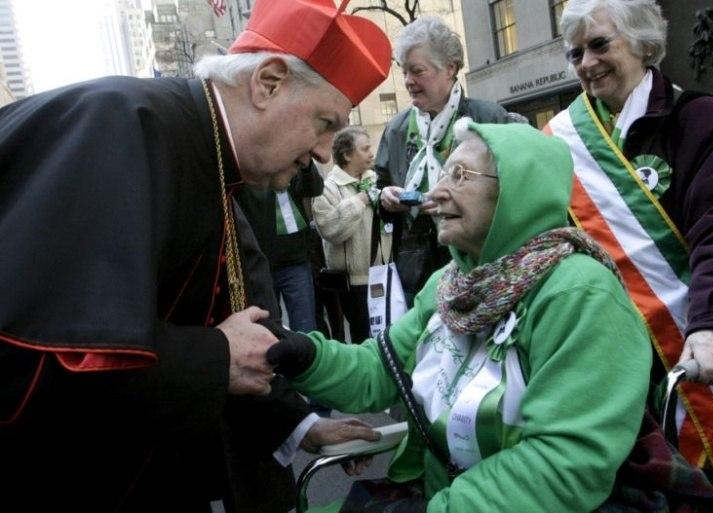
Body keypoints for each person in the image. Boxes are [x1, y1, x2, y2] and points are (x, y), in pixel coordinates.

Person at [0, 1, 392, 511]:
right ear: (268, 82)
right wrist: (214, 358)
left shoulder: (210, 158)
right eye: (324, 122)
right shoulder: (123, 124)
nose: (323, 152)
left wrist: (299, 424)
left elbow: (227, 322)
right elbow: (51, 350)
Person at [268, 120, 654, 512]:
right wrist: (304, 355)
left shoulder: (578, 293)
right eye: (441, 175)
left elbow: (564, 463)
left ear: (516, 191)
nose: (434, 193)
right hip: (432, 493)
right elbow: (379, 370)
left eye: (460, 175)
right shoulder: (450, 282)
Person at [546, 0, 713, 477]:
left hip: (680, 353)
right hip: (594, 365)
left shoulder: (701, 120)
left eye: (600, 44)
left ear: (643, 42)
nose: (586, 63)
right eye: (575, 53)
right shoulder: (559, 140)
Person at [374, 16, 508, 307]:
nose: (408, 81)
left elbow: (511, 191)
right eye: (404, 71)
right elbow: (378, 184)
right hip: (413, 272)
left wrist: (456, 202)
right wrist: (384, 197)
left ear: (450, 68)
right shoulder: (396, 129)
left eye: (417, 71)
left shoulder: (490, 120)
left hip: (476, 264)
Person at [313, 126, 391, 343]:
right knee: (363, 338)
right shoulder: (327, 188)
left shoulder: (377, 180)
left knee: (389, 336)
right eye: (365, 149)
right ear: (347, 154)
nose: (371, 153)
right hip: (353, 283)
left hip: (385, 275)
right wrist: (360, 201)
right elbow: (330, 228)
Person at [238, 161, 323, 333]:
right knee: (269, 330)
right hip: (260, 264)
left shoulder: (291, 155)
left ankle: (307, 360)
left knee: (306, 330)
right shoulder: (249, 160)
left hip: (296, 261)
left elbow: (313, 188)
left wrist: (306, 166)